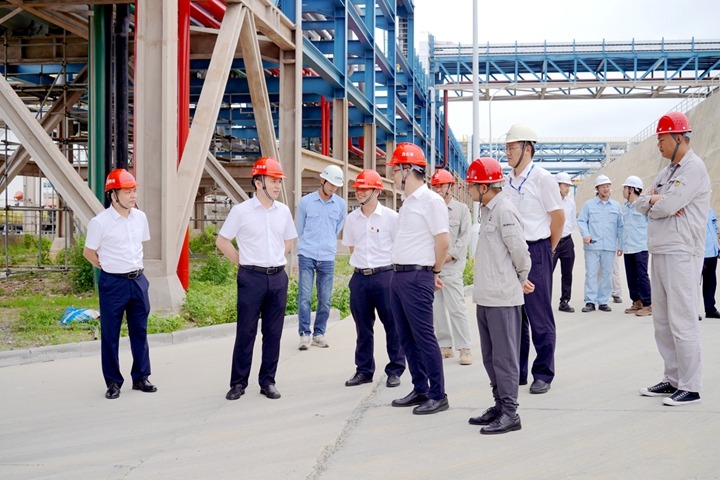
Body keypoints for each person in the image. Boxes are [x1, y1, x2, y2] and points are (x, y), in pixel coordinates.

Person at [636, 112, 710, 406]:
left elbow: (668, 207)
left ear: (679, 138)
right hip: (661, 250)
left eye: (662, 139)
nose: (659, 145)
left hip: (681, 251)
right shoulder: (668, 171)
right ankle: (673, 378)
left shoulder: (693, 168)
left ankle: (691, 386)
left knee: (682, 320)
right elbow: (641, 202)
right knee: (663, 322)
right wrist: (655, 200)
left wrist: (658, 201)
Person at [216, 157, 298, 401]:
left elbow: (289, 240)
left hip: (277, 277)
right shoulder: (241, 211)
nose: (278, 186)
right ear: (258, 182)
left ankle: (268, 381)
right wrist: (242, 262)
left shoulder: (283, 211)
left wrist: (275, 257)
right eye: (273, 181)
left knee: (273, 333)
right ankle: (238, 383)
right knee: (246, 332)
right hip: (251, 278)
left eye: (279, 181)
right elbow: (222, 241)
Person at [466, 157, 534, 435]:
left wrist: (521, 279)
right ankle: (499, 404)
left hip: (502, 298)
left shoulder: (505, 210)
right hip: (486, 297)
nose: (468, 189)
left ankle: (510, 413)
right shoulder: (488, 211)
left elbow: (520, 252)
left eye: (472, 185)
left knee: (504, 358)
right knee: (490, 357)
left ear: (484, 187)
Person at [387, 142, 451, 415]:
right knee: (407, 338)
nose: (392, 175)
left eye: (394, 170)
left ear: (407, 170)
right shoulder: (407, 202)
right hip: (399, 276)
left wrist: (433, 272)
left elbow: (443, 242)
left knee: (424, 337)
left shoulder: (431, 201)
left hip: (417, 276)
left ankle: (438, 395)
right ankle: (421, 388)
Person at [502, 124, 564, 395]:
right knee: (515, 316)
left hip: (536, 250)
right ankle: (518, 371)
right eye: (506, 148)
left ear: (527, 148)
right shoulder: (506, 181)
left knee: (539, 316)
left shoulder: (543, 179)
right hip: (511, 253)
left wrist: (546, 251)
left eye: (511, 147)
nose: (507, 152)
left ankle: (543, 373)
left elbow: (558, 218)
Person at [83, 169, 155, 400]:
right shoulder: (100, 222)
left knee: (140, 331)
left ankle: (141, 377)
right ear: (113, 195)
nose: (133, 196)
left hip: (138, 281)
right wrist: (108, 267)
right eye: (127, 192)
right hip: (113, 283)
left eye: (134, 191)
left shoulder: (140, 217)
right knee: (110, 334)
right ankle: (113, 382)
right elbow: (88, 252)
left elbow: (139, 245)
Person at [341, 169, 406, 388]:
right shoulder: (352, 219)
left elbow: (398, 247)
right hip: (360, 278)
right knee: (363, 328)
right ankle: (364, 370)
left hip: (385, 276)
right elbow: (352, 247)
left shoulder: (391, 218)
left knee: (393, 325)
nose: (359, 192)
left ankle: (395, 369)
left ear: (377, 191)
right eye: (357, 189)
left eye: (365, 188)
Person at [296, 164, 347, 350]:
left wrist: (326, 243)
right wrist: (309, 244)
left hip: (327, 256)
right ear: (322, 180)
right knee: (305, 297)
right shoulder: (305, 202)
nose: (333, 188)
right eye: (331, 184)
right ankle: (304, 334)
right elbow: (299, 228)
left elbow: (337, 228)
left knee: (325, 299)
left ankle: (319, 334)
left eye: (336, 186)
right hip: (307, 254)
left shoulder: (341, 205)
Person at [429, 169, 473, 365]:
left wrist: (446, 257)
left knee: (456, 308)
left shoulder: (461, 210)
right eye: (435, 186)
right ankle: (445, 346)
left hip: (451, 267)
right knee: (437, 308)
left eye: (441, 186)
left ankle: (465, 348)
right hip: (432, 268)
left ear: (451, 188)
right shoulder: (430, 209)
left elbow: (464, 238)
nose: (438, 189)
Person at [577, 175, 623, 313]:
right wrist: (586, 234)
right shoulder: (589, 205)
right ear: (597, 189)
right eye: (602, 187)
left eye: (607, 186)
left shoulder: (616, 206)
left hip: (609, 246)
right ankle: (590, 301)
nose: (606, 189)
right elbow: (581, 221)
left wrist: (620, 245)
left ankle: (603, 301)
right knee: (591, 274)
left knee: (607, 275)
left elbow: (620, 227)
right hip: (592, 246)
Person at [621, 175, 652, 316]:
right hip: (628, 247)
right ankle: (637, 302)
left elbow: (651, 225)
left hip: (640, 247)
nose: (623, 191)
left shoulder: (643, 206)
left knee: (642, 276)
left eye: (625, 188)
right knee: (631, 277)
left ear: (632, 189)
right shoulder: (625, 207)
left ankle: (648, 304)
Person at [552, 172, 576, 313]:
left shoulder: (571, 203)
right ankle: (544, 301)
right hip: (552, 241)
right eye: (565, 185)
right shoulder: (550, 201)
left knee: (567, 273)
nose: (567, 188)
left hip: (567, 241)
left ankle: (564, 301)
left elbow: (571, 221)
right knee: (547, 272)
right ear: (557, 186)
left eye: (569, 186)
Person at [702, 208, 720, 319]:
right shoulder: (691, 209)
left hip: (712, 252)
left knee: (711, 282)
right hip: (699, 253)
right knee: (692, 284)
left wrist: (718, 247)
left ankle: (710, 309)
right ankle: (690, 311)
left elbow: (715, 229)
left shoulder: (710, 210)